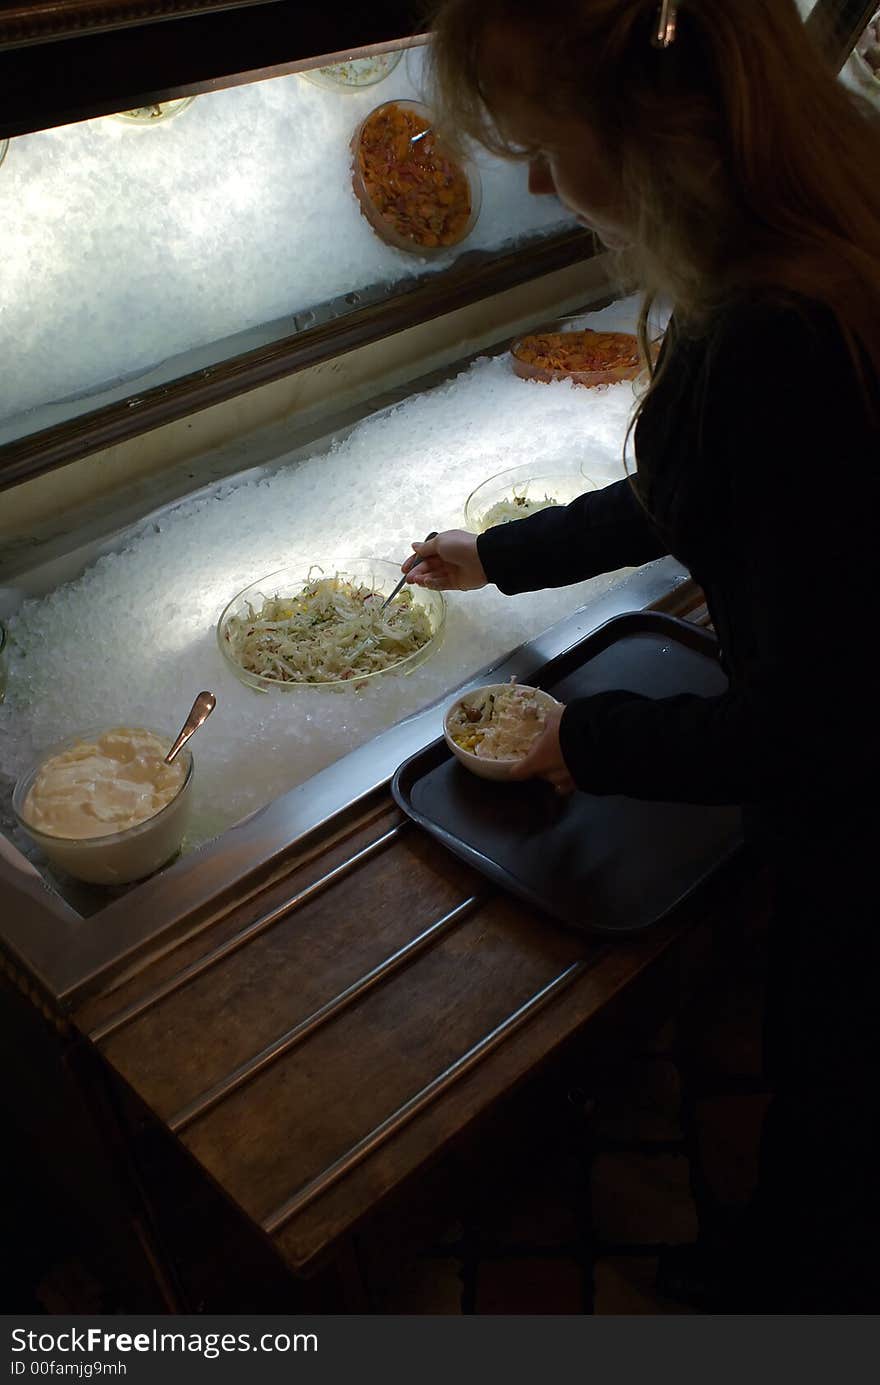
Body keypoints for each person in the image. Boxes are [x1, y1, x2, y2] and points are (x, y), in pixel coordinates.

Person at [402, 0, 880, 1312]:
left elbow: (819, 730)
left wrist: (581, 739)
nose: (544, 185)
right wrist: (499, 555)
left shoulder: (765, 343)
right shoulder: (822, 231)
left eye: (543, 145)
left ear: (645, 127)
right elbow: (708, 490)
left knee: (837, 1092)